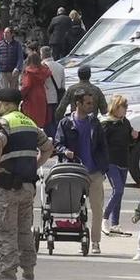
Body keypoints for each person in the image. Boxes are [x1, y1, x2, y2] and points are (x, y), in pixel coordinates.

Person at [0, 84, 51, 280]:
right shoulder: (30, 123)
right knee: (24, 231)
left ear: (5, 104)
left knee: (5, 232)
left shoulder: (5, 122)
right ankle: (28, 271)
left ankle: (7, 274)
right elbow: (48, 148)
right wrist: (35, 165)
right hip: (27, 187)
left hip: (7, 187)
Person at [54, 93, 108, 253]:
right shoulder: (65, 122)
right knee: (75, 207)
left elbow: (103, 146)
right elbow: (57, 143)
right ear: (78, 103)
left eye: (92, 103)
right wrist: (65, 151)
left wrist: (104, 167)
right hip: (74, 171)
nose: (91, 106)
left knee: (97, 208)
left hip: (94, 171)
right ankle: (82, 239)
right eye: (88, 103)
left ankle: (96, 242)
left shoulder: (95, 123)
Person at [101, 94, 136, 236]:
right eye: (123, 107)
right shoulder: (107, 124)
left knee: (120, 194)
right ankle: (105, 218)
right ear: (116, 107)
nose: (125, 109)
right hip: (111, 161)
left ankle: (115, 224)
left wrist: (133, 136)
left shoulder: (125, 122)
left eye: (126, 107)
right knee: (118, 190)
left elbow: (129, 142)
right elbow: (101, 144)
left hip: (123, 160)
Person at [20, 48, 54, 132]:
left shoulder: (29, 72)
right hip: (42, 95)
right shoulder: (44, 70)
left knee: (30, 120)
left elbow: (26, 86)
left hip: (31, 98)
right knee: (40, 119)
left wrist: (20, 95)